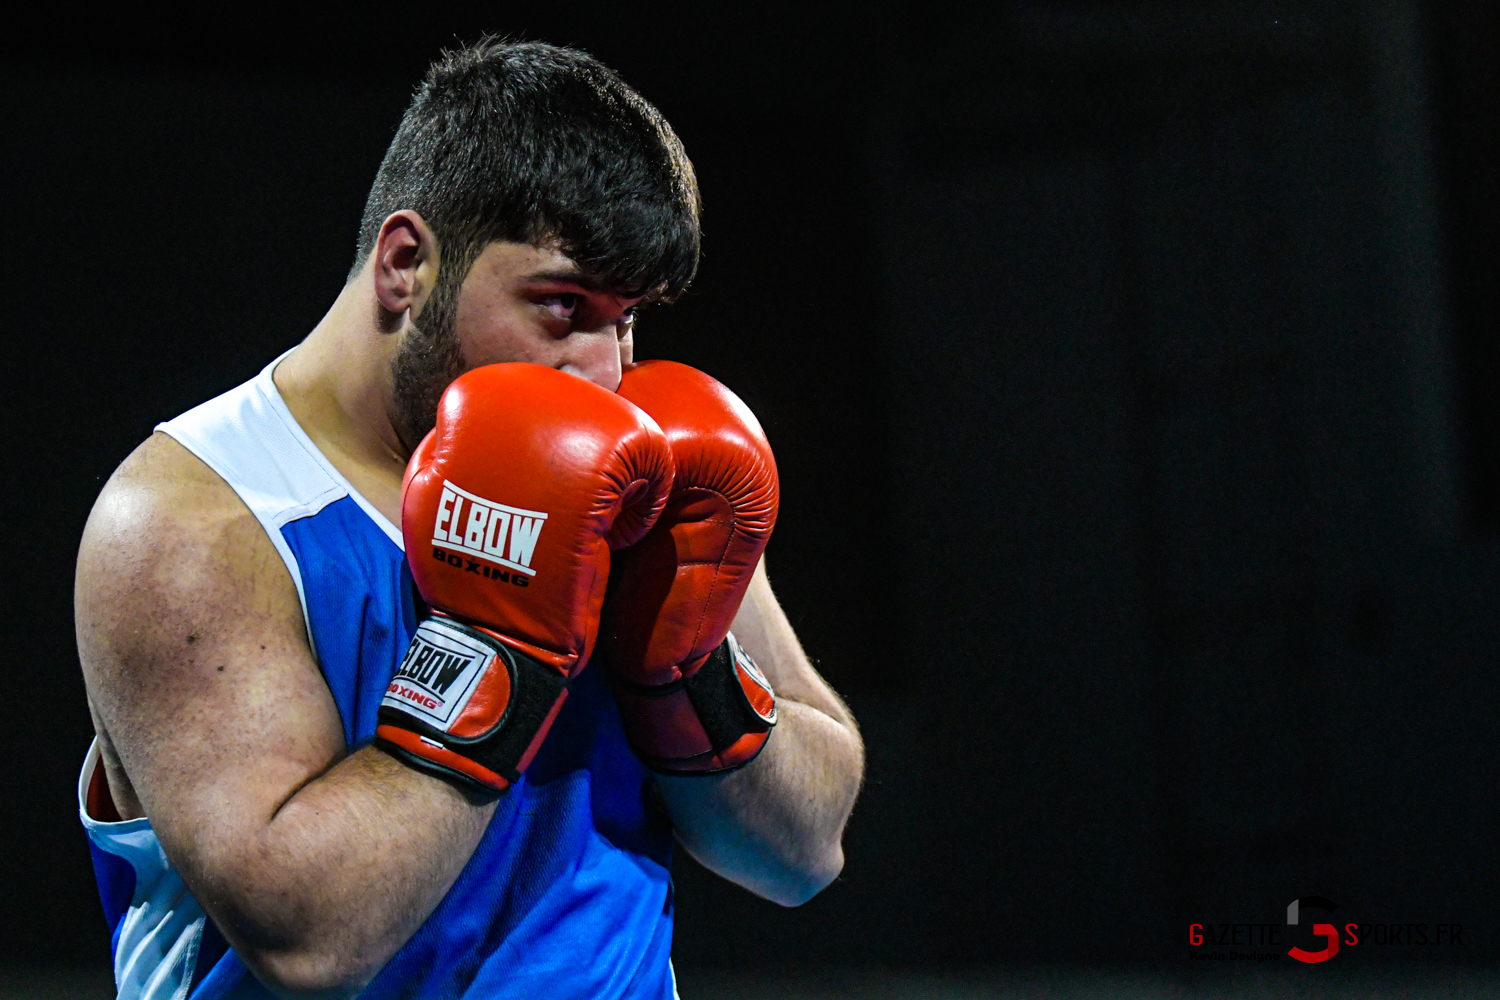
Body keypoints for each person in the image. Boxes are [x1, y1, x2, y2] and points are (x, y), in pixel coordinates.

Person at [73, 39, 864, 1000]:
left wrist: (684, 668)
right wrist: (503, 640)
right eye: (561, 307)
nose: (606, 373)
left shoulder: (645, 471)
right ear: (406, 264)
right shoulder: (198, 519)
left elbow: (805, 851)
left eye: (626, 319)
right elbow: (306, 941)